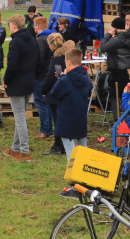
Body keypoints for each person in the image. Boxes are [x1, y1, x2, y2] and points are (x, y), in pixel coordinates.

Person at [50, 47, 93, 197]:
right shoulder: (86, 78)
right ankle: (86, 182)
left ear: (68, 62)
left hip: (67, 119)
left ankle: (76, 186)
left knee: (71, 154)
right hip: (81, 118)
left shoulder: (66, 80)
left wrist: (61, 78)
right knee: (83, 151)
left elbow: (54, 94)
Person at [2, 14, 39, 162]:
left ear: (14, 26)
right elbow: (38, 61)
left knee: (19, 118)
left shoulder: (16, 42)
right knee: (20, 116)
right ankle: (15, 148)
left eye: (9, 25)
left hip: (17, 83)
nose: (9, 28)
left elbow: (12, 65)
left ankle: (24, 151)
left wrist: (6, 81)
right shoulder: (32, 40)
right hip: (29, 82)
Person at [102, 13, 130, 119]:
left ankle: (118, 119)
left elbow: (103, 47)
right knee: (128, 95)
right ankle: (128, 117)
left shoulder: (116, 40)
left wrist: (108, 35)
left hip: (117, 71)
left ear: (115, 28)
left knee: (114, 96)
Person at [40, 34, 72, 155]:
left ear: (52, 44)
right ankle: (62, 145)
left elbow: (50, 76)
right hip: (65, 91)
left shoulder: (56, 58)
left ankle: (58, 146)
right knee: (61, 119)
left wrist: (43, 90)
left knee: (57, 120)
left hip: (55, 91)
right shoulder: (66, 55)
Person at [33, 16, 54, 139]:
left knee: (40, 103)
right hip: (50, 75)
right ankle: (49, 128)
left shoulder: (40, 40)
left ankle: (45, 129)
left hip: (41, 77)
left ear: (37, 26)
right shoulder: (51, 38)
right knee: (48, 103)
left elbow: (39, 59)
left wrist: (34, 73)